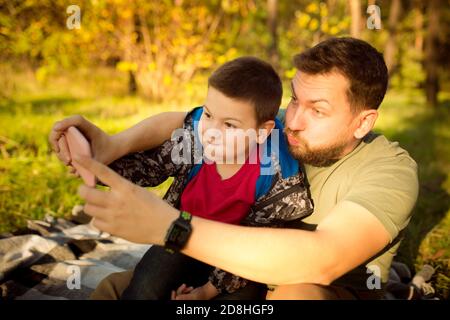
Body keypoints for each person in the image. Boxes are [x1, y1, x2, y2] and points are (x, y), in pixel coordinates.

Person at [49, 37, 419, 300]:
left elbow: (322, 260)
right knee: (117, 289)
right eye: (294, 99)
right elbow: (186, 122)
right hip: (219, 263)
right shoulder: (265, 128)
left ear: (363, 122)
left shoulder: (390, 171)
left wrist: (171, 228)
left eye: (317, 110)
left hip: (308, 286)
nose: (294, 120)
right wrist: (111, 146)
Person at [114, 56, 313, 300]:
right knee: (146, 285)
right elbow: (149, 167)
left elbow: (254, 247)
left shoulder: (274, 177)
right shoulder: (196, 142)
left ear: (263, 131)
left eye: (229, 125)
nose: (211, 132)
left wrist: (205, 292)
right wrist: (96, 161)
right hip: (182, 230)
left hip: (236, 257)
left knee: (244, 296)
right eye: (208, 115)